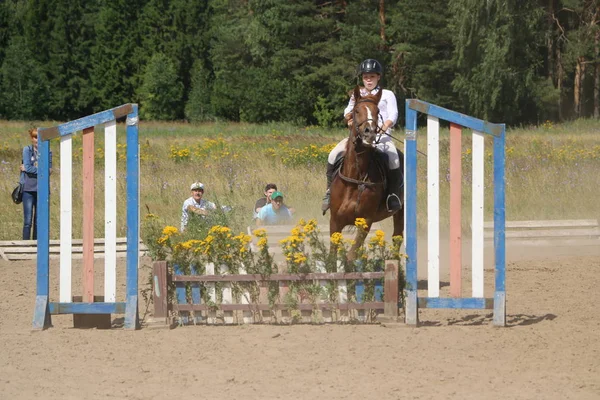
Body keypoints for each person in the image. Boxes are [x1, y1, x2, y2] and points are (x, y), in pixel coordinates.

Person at [321, 58, 402, 214]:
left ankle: (392, 195)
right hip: (358, 138)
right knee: (332, 155)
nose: (369, 80)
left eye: (372, 76)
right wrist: (349, 119)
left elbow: (394, 113)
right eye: (366, 77)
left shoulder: (387, 94)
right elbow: (347, 111)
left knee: (394, 158)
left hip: (380, 137)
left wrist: (385, 127)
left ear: (378, 77)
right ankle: (329, 192)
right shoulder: (357, 94)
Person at [20, 128, 52, 240]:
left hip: (42, 189)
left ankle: (36, 244)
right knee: (28, 220)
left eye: (39, 137)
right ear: (31, 138)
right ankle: (25, 244)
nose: (37, 140)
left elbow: (49, 171)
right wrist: (41, 170)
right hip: (28, 189)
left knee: (39, 221)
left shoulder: (48, 151)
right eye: (34, 137)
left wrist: (31, 169)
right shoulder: (27, 150)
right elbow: (28, 167)